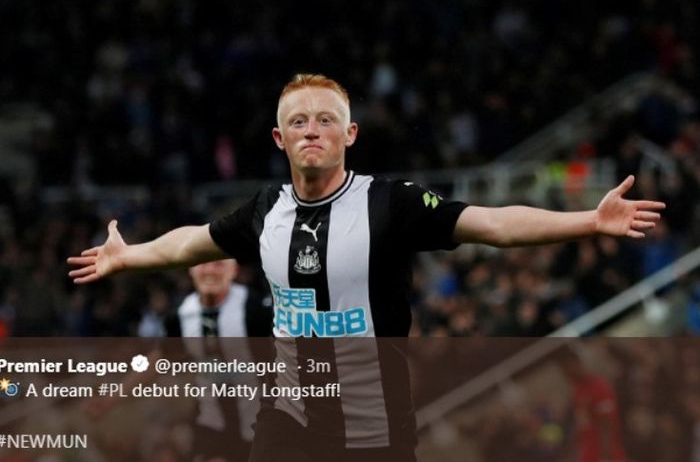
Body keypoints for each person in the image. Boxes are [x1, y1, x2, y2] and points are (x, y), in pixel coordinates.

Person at [68, 73, 665, 462]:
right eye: (298, 121)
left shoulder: (391, 202)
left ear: (349, 133)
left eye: (326, 119)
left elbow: (492, 224)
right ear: (279, 138)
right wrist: (130, 255)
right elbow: (190, 244)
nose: (312, 130)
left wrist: (588, 220)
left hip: (375, 425)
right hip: (288, 416)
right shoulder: (264, 211)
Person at [87, 260, 272, 462]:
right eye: (203, 264)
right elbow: (160, 358)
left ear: (233, 270)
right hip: (211, 424)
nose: (210, 270)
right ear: (191, 270)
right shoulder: (182, 316)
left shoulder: (255, 310)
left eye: (218, 264)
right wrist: (112, 398)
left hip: (261, 424)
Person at [557, 348, 626, 462]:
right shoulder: (577, 391)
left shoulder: (599, 386)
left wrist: (606, 454)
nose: (566, 373)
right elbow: (582, 422)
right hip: (589, 453)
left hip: (606, 453)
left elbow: (607, 422)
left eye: (567, 368)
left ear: (577, 363)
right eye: (563, 370)